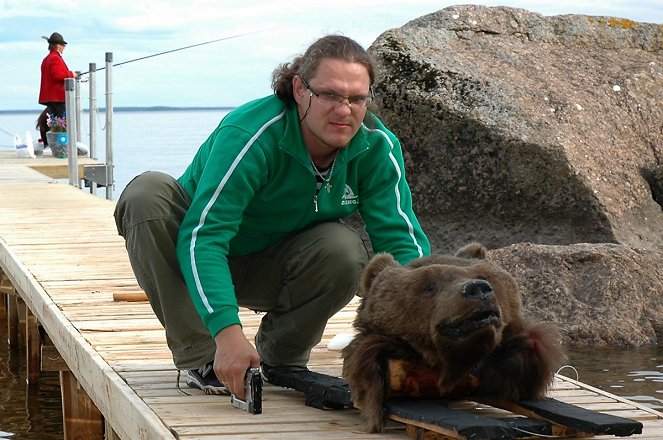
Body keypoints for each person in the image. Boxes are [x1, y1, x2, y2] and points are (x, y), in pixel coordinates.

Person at [113, 34, 430, 401]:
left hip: (274, 266)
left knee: (345, 248)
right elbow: (205, 238)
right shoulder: (251, 134)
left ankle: (282, 356)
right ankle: (204, 357)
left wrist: (422, 327)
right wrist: (227, 332)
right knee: (146, 194)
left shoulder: (377, 146)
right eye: (329, 95)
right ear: (299, 89)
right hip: (195, 260)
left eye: (357, 98)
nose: (344, 110)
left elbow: (401, 242)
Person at [37, 32, 77, 146]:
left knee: (49, 120)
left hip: (50, 96)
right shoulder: (55, 58)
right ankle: (68, 146)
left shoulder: (47, 59)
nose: (64, 48)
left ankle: (48, 143)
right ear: (58, 46)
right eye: (63, 46)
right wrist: (71, 74)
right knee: (65, 121)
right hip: (57, 96)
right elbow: (57, 75)